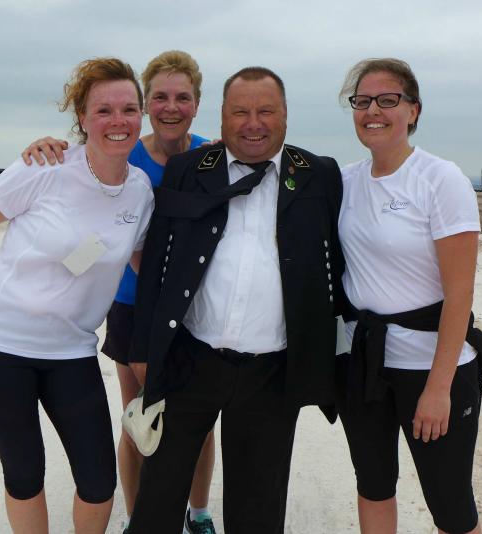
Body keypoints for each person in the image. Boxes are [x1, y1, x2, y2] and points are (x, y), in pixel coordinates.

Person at [125, 66, 345, 534]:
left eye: (266, 111)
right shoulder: (188, 170)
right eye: (240, 112)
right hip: (189, 361)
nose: (253, 124)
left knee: (258, 511)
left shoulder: (320, 175)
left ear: (285, 115)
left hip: (272, 373)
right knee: (158, 499)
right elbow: (155, 268)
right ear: (222, 116)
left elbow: (340, 263)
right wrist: (143, 349)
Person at [0, 57, 153, 534]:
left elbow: (142, 265)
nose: (118, 120)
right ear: (82, 117)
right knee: (25, 474)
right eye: (103, 110)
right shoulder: (45, 166)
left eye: (129, 109)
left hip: (71, 350)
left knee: (98, 481)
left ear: (140, 115)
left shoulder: (140, 191)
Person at [21, 50, 218, 534]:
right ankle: (136, 518)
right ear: (146, 104)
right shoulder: (124, 151)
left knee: (198, 424)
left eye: (183, 97)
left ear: (197, 103)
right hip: (133, 306)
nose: (171, 107)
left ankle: (199, 513)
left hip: (197, 311)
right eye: (160, 97)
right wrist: (45, 146)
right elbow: (76, 164)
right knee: (137, 421)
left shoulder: (213, 157)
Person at [335, 58, 482, 534]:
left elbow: (460, 294)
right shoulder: (344, 181)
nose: (372, 111)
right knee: (374, 485)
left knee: (451, 506)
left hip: (431, 367)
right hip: (363, 363)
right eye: (362, 101)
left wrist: (439, 389)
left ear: (413, 110)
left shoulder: (440, 179)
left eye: (388, 100)